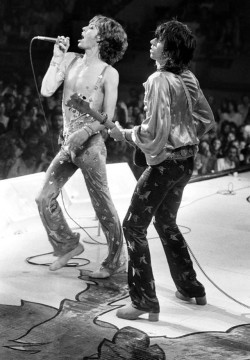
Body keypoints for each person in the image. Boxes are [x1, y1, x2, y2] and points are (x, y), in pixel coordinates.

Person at [109, 20, 215, 321]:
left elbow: (154, 132)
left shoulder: (158, 80)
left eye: (157, 39)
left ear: (167, 50)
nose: (152, 42)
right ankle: (191, 288)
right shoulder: (189, 77)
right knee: (166, 222)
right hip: (187, 161)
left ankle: (143, 301)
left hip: (166, 164)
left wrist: (127, 134)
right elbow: (207, 120)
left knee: (133, 226)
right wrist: (183, 136)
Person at [36, 15, 128, 277]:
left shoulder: (109, 73)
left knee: (102, 204)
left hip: (90, 147)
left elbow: (109, 119)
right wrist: (56, 57)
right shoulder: (69, 59)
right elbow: (46, 90)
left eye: (90, 27)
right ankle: (67, 245)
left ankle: (115, 261)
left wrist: (86, 131)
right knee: (43, 197)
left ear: (99, 37)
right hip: (68, 144)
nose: (83, 29)